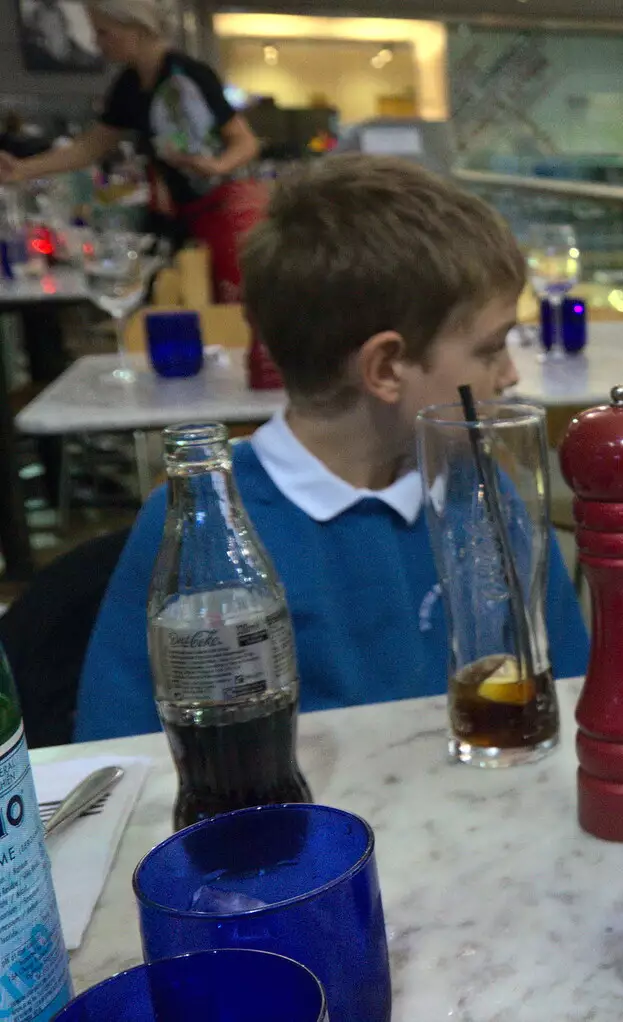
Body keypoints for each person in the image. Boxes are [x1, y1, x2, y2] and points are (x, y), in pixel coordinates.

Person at [75, 155, 589, 741]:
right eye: (491, 348)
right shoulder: (201, 526)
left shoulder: (482, 487)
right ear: (387, 366)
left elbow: (570, 688)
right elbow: (118, 752)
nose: (510, 375)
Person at [0, 0, 262, 303]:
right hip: (185, 216)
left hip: (226, 211)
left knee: (231, 306)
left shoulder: (189, 74)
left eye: (103, 32)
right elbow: (91, 146)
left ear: (135, 28)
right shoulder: (129, 85)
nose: (98, 44)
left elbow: (245, 142)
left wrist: (216, 166)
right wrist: (21, 169)